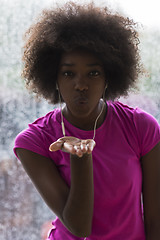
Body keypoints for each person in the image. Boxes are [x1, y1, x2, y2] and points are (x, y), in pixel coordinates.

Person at [13, 2, 160, 240]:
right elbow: (79, 227)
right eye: (68, 73)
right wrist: (80, 158)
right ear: (54, 78)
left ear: (109, 77)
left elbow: (155, 219)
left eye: (93, 73)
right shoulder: (34, 141)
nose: (80, 84)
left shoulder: (141, 127)